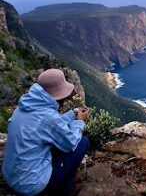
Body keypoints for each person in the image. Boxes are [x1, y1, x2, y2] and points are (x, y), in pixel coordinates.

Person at [2, 68, 90, 196]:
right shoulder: (48, 117)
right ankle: (66, 188)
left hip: (11, 177)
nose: (65, 98)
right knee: (82, 143)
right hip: (31, 186)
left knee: (55, 145)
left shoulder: (24, 107)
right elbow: (70, 143)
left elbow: (49, 126)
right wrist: (79, 122)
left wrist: (73, 114)